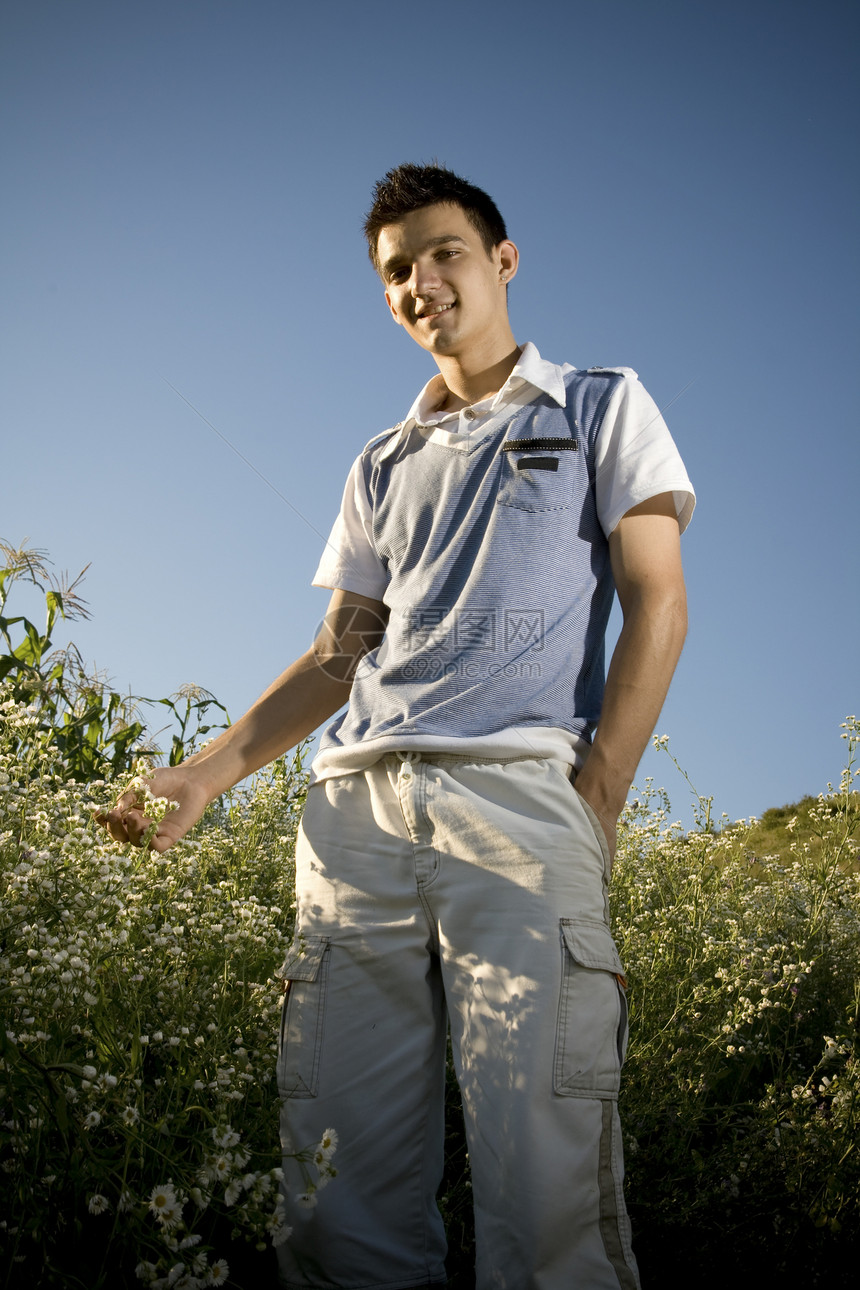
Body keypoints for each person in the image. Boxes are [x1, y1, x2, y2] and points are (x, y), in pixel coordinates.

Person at [103, 163, 694, 1290]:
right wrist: (206, 773)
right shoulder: (378, 462)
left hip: (515, 809)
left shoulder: (601, 403)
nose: (422, 281)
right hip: (350, 824)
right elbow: (341, 653)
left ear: (500, 261)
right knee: (335, 1195)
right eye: (397, 271)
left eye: (444, 253)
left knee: (543, 1193)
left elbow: (657, 602)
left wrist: (598, 798)